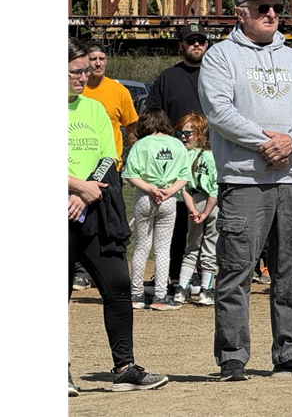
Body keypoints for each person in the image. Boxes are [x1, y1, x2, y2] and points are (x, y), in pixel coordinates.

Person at [198, 0, 292, 381]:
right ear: (241, 13)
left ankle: (290, 353)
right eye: (262, 7)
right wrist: (265, 144)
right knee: (236, 269)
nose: (271, 14)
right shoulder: (220, 57)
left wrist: (291, 141)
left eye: (276, 7)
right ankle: (233, 357)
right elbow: (218, 112)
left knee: (290, 270)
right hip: (244, 180)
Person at [68, 38, 168, 395]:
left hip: (96, 208)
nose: (84, 76)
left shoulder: (93, 108)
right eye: (76, 71)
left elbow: (108, 155)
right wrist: (77, 187)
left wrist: (87, 190)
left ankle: (124, 367)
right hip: (74, 200)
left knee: (119, 285)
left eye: (85, 70)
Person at [146, 23, 211, 286]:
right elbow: (153, 114)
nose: (196, 44)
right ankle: (173, 275)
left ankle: (203, 275)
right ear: (181, 46)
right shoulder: (167, 77)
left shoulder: (216, 74)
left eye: (201, 41)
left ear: (207, 45)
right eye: (191, 41)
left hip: (210, 158)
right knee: (176, 220)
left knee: (209, 219)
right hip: (175, 159)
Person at [73, 41, 140, 291]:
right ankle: (80, 270)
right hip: (76, 171)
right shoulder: (78, 91)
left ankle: (101, 269)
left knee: (104, 226)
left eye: (102, 58)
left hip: (108, 170)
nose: (97, 63)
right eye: (93, 59)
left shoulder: (118, 91)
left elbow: (131, 127)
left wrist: (131, 156)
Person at [124, 108, 190, 311]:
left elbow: (130, 175)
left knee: (142, 247)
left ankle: (136, 295)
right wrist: (168, 191)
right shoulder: (177, 144)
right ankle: (160, 297)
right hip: (168, 200)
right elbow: (184, 176)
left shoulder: (141, 145)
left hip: (145, 197)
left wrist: (151, 188)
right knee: (163, 249)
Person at [173, 113, 219, 306]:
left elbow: (184, 187)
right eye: (180, 133)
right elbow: (215, 188)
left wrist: (192, 209)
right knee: (208, 249)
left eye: (188, 133)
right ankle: (205, 291)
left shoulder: (190, 155)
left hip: (198, 202)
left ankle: (182, 290)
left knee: (192, 248)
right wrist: (204, 212)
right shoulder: (211, 156)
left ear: (200, 134)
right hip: (209, 204)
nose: (183, 136)